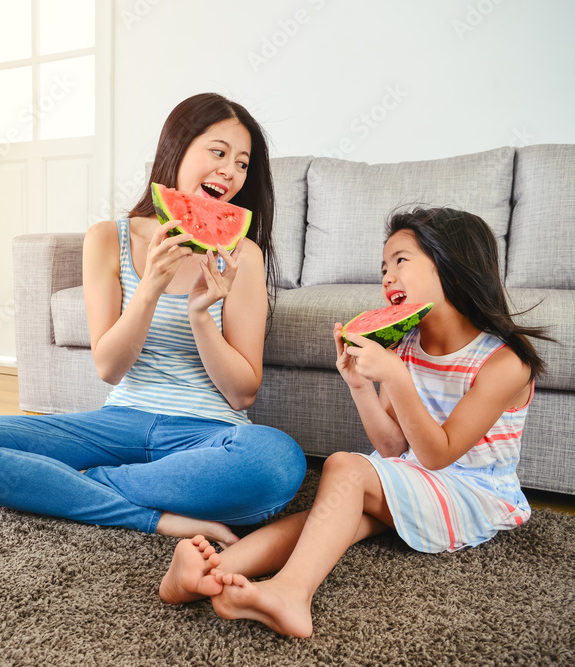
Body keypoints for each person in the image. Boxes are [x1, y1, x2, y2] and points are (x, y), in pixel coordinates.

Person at [0, 93, 306, 546]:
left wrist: (201, 315)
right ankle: (156, 515)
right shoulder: (108, 238)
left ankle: (81, 484)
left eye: (243, 164)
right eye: (218, 152)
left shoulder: (242, 254)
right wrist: (148, 289)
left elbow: (242, 393)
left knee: (277, 463)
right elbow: (109, 368)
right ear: (177, 148)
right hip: (116, 425)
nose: (231, 171)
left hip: (207, 435)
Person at [159, 207, 553, 637]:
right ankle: (211, 572)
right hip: (417, 475)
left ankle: (291, 593)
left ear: (455, 266)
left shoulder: (504, 362)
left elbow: (439, 454)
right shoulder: (406, 345)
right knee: (327, 519)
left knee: (345, 469)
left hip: (474, 492)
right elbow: (390, 447)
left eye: (401, 260)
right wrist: (361, 386)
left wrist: (397, 378)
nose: (386, 276)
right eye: (383, 266)